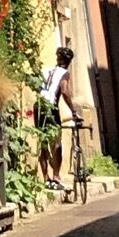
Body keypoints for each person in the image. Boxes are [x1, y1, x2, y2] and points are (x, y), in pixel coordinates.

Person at [36, 45, 77, 191]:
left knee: (43, 142)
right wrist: (73, 110)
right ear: (69, 62)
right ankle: (56, 176)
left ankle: (45, 178)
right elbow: (65, 91)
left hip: (39, 106)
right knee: (57, 143)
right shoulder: (64, 73)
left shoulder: (46, 70)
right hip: (51, 107)